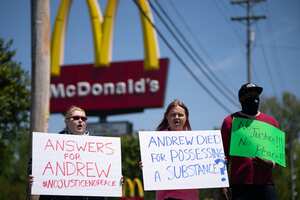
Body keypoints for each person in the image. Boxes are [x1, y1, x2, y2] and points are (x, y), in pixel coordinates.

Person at [30, 106, 104, 200]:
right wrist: (32, 175)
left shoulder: (98, 146)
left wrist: (115, 180)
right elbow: (34, 164)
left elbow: (106, 171)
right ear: (66, 121)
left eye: (83, 118)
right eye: (76, 118)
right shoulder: (51, 144)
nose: (80, 120)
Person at [221, 83, 279, 200]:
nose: (255, 97)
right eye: (250, 94)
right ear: (241, 99)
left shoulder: (271, 122)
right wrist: (222, 184)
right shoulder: (230, 122)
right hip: (240, 186)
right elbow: (222, 156)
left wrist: (271, 163)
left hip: (266, 185)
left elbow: (277, 157)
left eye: (257, 94)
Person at [155, 99, 199, 200]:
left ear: (186, 117)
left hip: (189, 197)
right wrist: (145, 166)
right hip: (165, 197)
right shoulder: (156, 140)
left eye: (180, 115)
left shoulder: (196, 141)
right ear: (167, 117)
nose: (177, 117)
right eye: (173, 115)